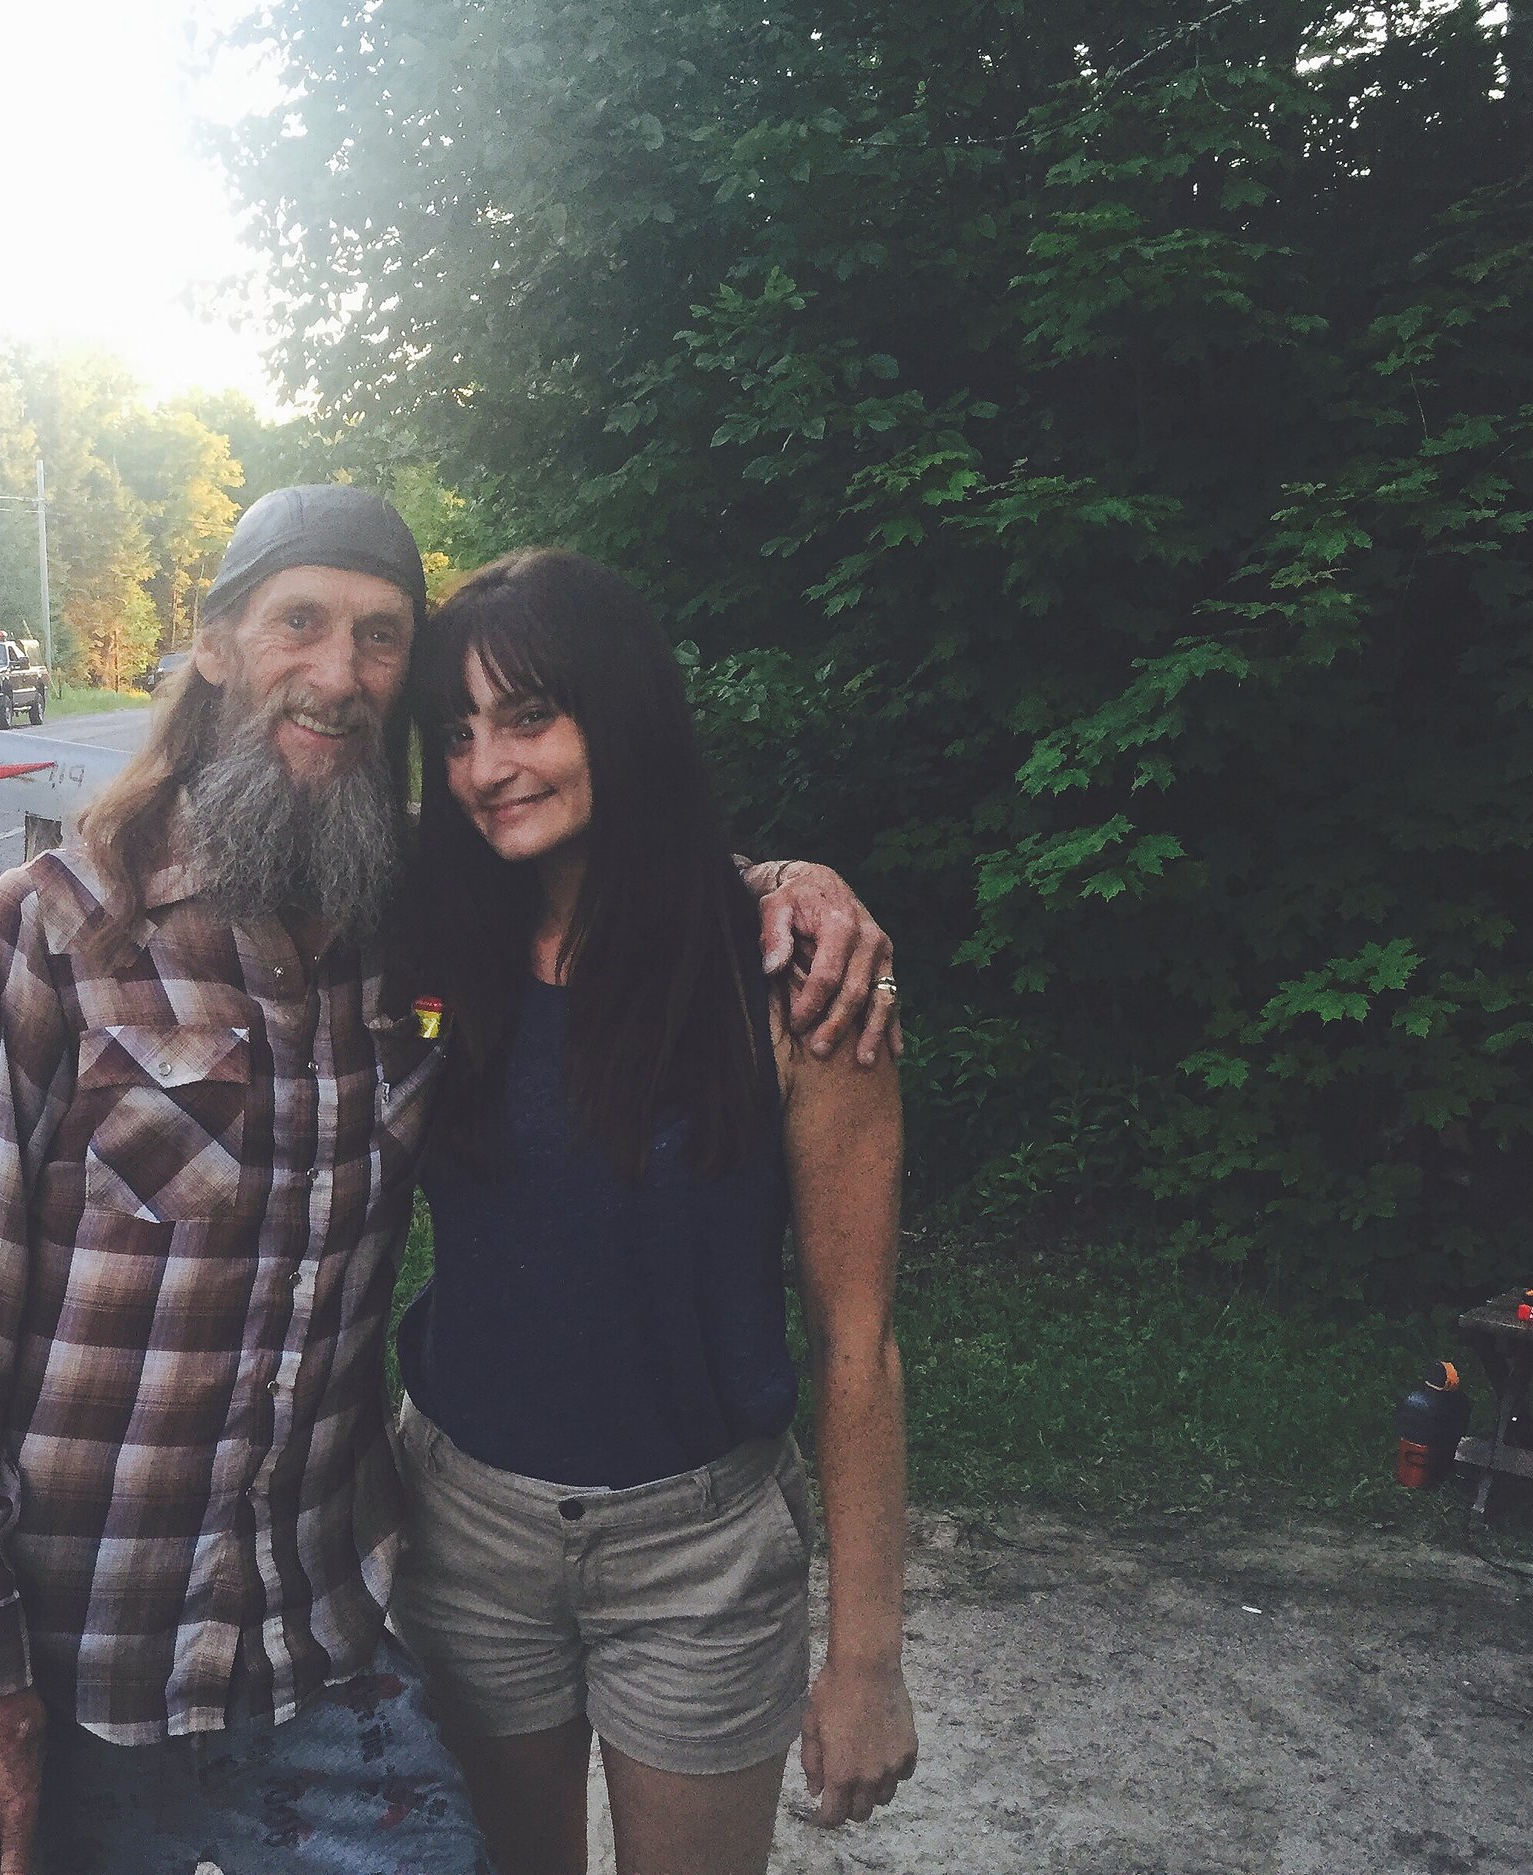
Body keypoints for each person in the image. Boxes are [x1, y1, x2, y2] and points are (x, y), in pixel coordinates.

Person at [0, 488, 898, 1875]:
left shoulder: (418, 942)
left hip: (327, 1638)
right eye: (300, 622)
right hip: (90, 1650)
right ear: (219, 645)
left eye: (379, 639)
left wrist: (795, 884)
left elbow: (625, 889)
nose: (342, 673)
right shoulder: (71, 926)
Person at [387, 549, 917, 1875]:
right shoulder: (433, 942)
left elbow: (856, 1339)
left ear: (617, 714)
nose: (486, 766)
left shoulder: (792, 978)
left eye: (525, 718)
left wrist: (866, 1665)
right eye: (454, 735)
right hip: (469, 1531)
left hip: (699, 1557)